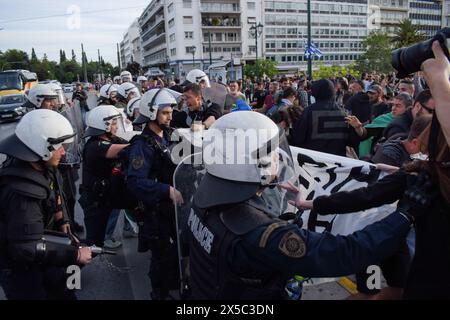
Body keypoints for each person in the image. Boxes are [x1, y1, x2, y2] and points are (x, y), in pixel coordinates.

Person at [184, 111, 414, 300]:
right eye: (273, 154)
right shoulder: (260, 233)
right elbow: (342, 254)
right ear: (260, 164)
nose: (278, 158)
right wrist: (405, 215)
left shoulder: (205, 198)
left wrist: (292, 211)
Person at [0, 109, 92, 300]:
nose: (63, 151)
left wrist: (64, 224)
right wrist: (75, 256)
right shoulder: (22, 192)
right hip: (26, 275)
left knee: (68, 293)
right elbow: (25, 249)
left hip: (48, 259)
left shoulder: (42, 165)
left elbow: (57, 196)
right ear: (41, 145)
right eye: (59, 146)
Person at [126, 88, 184, 299]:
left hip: (173, 207)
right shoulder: (142, 146)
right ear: (151, 114)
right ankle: (159, 293)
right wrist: (165, 190)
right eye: (165, 113)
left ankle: (175, 283)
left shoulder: (169, 135)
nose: (170, 117)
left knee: (175, 250)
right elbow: (135, 182)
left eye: (170, 112)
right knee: (161, 255)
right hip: (156, 211)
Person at [78, 105, 129, 246]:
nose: (116, 127)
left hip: (104, 198)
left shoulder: (111, 139)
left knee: (96, 243)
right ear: (104, 125)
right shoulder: (95, 146)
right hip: (94, 202)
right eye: (113, 123)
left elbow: (128, 142)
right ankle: (69, 263)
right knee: (92, 245)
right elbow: (125, 149)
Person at [292, 79, 360, 157]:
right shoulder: (344, 113)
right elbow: (352, 141)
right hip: (338, 162)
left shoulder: (308, 112)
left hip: (313, 161)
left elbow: (298, 138)